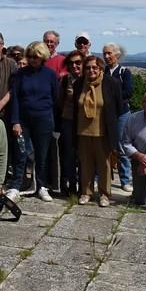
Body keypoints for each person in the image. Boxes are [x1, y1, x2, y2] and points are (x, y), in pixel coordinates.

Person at [7, 41, 57, 203]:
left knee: (42, 155)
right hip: (24, 121)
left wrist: (54, 121)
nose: (32, 60)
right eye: (29, 56)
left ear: (42, 57)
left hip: (44, 120)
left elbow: (55, 98)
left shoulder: (50, 75)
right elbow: (15, 98)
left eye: (35, 57)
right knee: (21, 153)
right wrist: (15, 121)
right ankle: (15, 186)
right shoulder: (20, 74)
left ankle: (42, 186)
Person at [72, 55, 123, 207]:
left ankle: (104, 194)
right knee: (85, 163)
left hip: (103, 131)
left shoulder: (111, 83)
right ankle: (86, 192)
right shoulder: (79, 83)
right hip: (83, 131)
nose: (91, 70)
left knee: (104, 164)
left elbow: (119, 107)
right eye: (88, 68)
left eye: (94, 67)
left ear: (101, 69)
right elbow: (75, 106)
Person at [103, 42, 134, 193]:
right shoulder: (102, 72)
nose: (106, 56)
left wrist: (112, 98)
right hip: (105, 114)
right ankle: (101, 177)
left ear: (117, 55)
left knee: (122, 146)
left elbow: (128, 92)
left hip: (121, 114)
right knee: (103, 146)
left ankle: (125, 180)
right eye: (105, 53)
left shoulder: (124, 72)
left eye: (109, 53)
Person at [57, 51, 84, 197]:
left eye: (78, 62)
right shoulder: (64, 80)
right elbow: (59, 101)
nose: (74, 66)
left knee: (84, 156)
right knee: (69, 155)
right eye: (71, 63)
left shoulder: (88, 79)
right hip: (68, 121)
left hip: (85, 123)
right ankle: (71, 185)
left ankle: (84, 186)